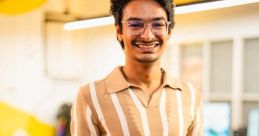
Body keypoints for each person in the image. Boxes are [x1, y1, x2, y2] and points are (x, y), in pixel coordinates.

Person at [70, 0, 203, 135]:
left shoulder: (190, 95)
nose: (147, 36)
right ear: (119, 31)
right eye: (135, 25)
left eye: (158, 24)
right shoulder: (90, 96)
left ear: (168, 31)